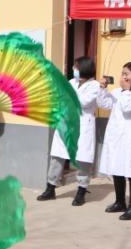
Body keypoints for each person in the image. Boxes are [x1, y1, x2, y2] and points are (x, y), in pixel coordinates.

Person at [36, 57, 100, 205]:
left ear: (84, 68)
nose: (73, 69)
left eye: (76, 66)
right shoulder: (72, 82)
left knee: (82, 160)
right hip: (66, 123)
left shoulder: (95, 86)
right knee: (57, 156)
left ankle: (81, 191)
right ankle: (50, 188)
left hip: (83, 125)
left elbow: (82, 102)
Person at [96, 61, 131, 221]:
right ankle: (120, 202)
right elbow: (103, 103)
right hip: (115, 137)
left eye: (127, 74)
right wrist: (102, 89)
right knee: (117, 168)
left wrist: (126, 91)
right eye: (123, 74)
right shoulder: (118, 91)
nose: (124, 77)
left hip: (130, 139)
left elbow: (129, 108)